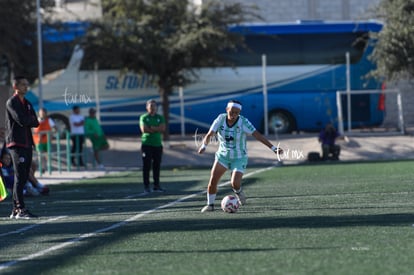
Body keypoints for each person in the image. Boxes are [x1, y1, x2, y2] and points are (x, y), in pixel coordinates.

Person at [198, 100, 283, 212]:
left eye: (236, 113)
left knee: (235, 183)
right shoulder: (220, 119)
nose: (233, 115)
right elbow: (210, 134)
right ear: (227, 110)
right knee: (213, 181)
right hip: (222, 156)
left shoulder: (243, 122)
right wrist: (204, 145)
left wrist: (273, 148)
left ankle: (238, 192)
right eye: (232, 112)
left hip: (239, 157)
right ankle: (210, 205)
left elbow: (257, 135)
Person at [5, 76, 39, 219]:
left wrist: (29, 119)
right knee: (20, 176)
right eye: (23, 84)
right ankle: (20, 209)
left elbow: (35, 122)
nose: (26, 87)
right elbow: (21, 120)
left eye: (27, 84)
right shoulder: (12, 102)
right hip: (16, 143)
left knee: (25, 175)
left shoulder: (28, 103)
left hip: (27, 143)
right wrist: (29, 119)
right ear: (16, 87)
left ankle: (15, 209)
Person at [139, 99, 166, 193]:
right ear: (147, 107)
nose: (152, 108)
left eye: (154, 106)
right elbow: (144, 129)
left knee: (157, 165)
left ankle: (156, 185)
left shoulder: (160, 117)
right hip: (147, 144)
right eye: (150, 106)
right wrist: (156, 129)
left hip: (157, 144)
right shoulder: (143, 117)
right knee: (146, 165)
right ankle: (146, 186)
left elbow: (162, 128)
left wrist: (151, 127)